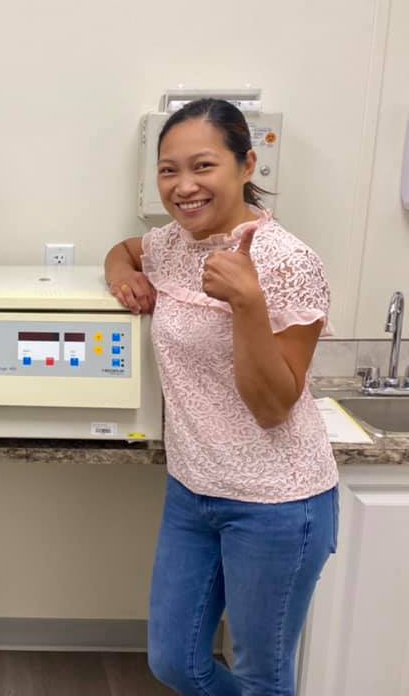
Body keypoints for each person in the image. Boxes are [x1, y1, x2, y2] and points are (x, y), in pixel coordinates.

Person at [104, 98, 338, 695]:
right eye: (168, 170)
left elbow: (272, 404)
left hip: (278, 505)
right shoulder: (171, 245)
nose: (184, 186)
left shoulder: (288, 262)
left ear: (247, 165)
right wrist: (123, 276)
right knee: (175, 662)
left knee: (263, 674)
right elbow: (126, 251)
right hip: (193, 493)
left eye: (203, 166)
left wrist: (249, 304)